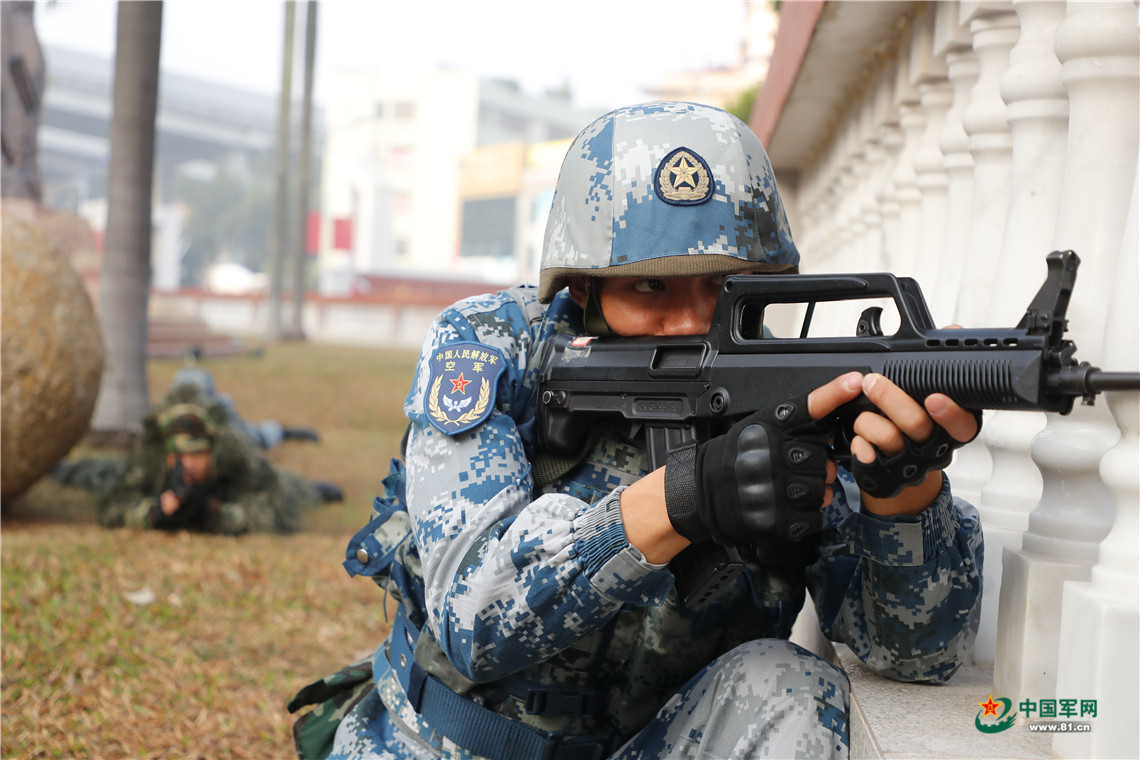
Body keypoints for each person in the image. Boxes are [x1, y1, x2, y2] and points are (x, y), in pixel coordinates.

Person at [289, 101, 983, 759]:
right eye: (650, 287)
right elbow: (476, 619)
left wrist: (902, 494)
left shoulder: (787, 391)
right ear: (584, 287)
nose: (689, 321)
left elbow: (915, 657)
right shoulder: (493, 348)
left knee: (792, 685)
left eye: (724, 286)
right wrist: (686, 499)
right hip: (445, 747)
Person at [94, 381, 341, 535]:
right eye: (179, 455)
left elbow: (270, 509)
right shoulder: (151, 456)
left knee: (261, 436)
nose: (187, 464)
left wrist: (214, 514)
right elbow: (115, 504)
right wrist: (153, 512)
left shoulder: (233, 453)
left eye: (197, 454)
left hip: (241, 431)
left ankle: (284, 432)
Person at [170, 361, 321, 450]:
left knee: (263, 435)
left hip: (249, 437)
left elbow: (245, 441)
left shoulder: (221, 414)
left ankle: (286, 432)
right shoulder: (169, 420)